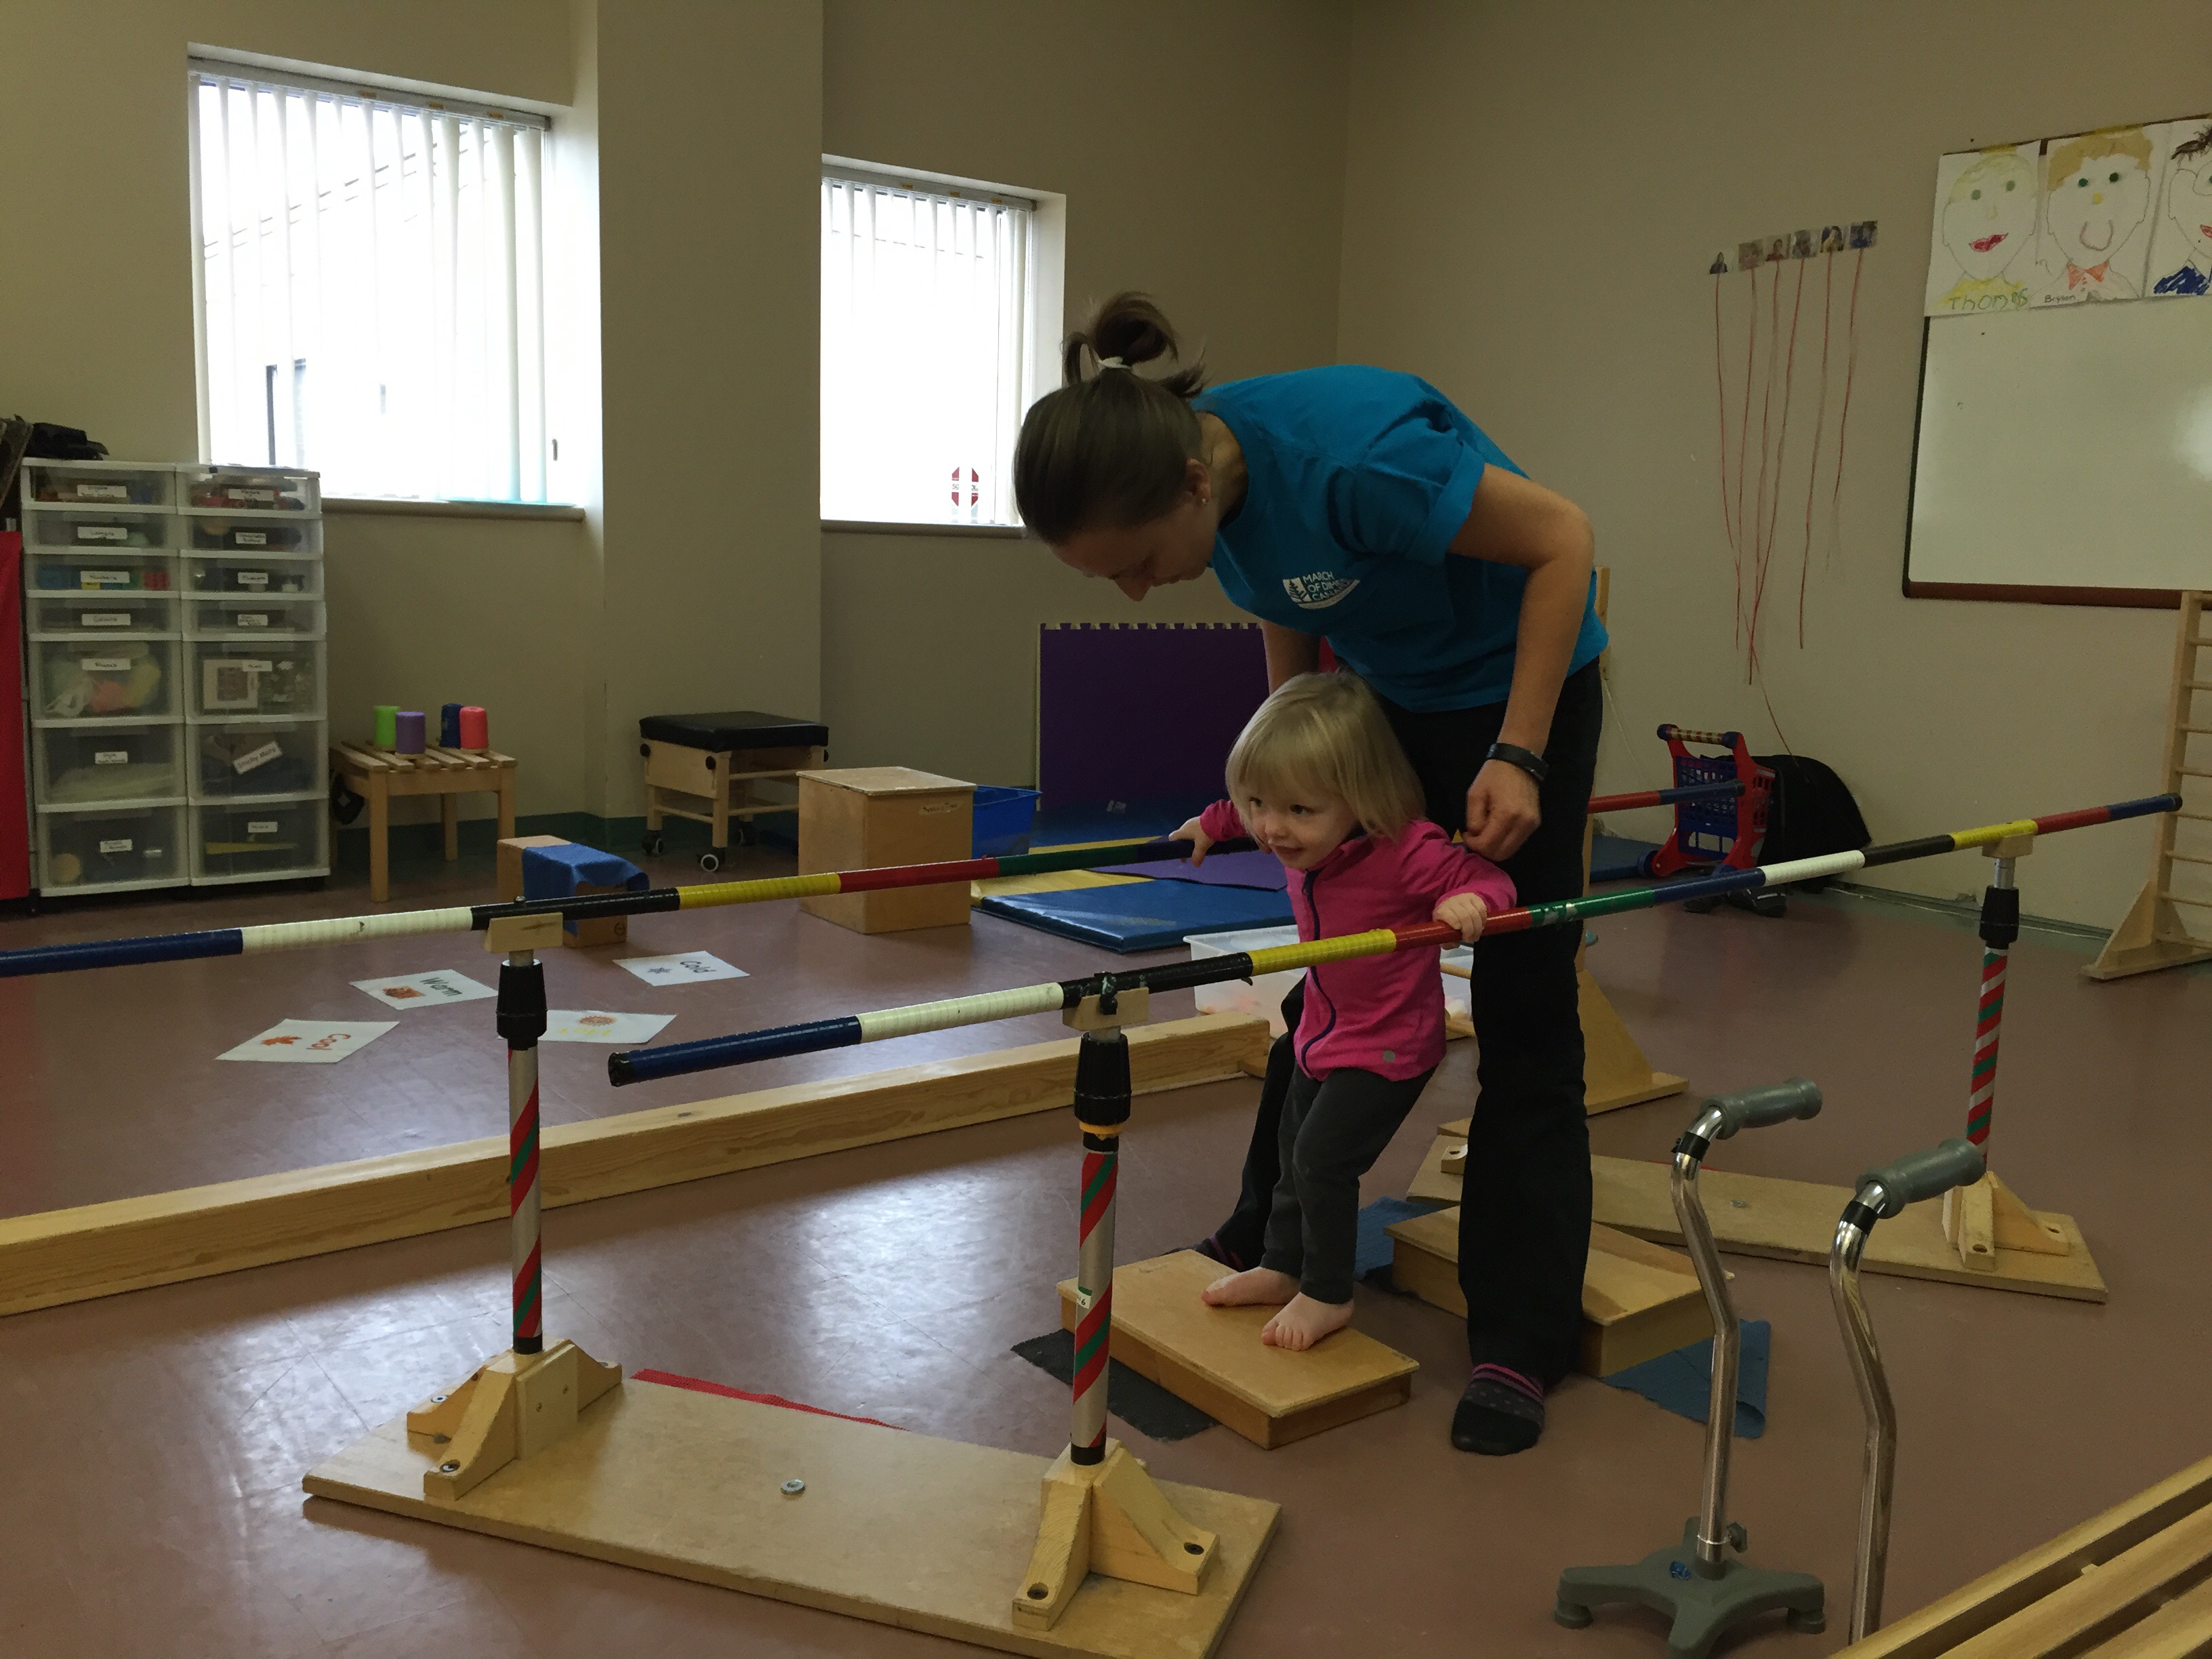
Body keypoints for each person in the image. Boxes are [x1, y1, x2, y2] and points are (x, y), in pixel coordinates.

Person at [1012, 293, 1607, 1456]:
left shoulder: (1351, 464)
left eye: (1138, 564)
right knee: (1329, 970)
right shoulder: (1202, 495)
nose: (1137, 591)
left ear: (1192, 486)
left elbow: (1565, 542)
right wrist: (1275, 781)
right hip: (1386, 697)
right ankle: (1270, 1238)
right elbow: (1290, 642)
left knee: (1526, 1006)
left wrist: (1520, 752)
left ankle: (1518, 1338)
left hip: (1514, 686)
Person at [1176, 672, 1513, 1352]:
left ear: (1361, 799)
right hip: (1322, 1033)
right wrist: (1211, 824)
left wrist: (1470, 903)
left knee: (1322, 1160)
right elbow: (1244, 813)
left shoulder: (1405, 851)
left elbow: (1488, 879)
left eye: (1298, 810)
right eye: (1260, 804)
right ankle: (1281, 1264)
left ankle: (1327, 1292)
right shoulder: (1294, 832)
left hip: (1389, 1047)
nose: (1273, 828)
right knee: (1290, 1151)